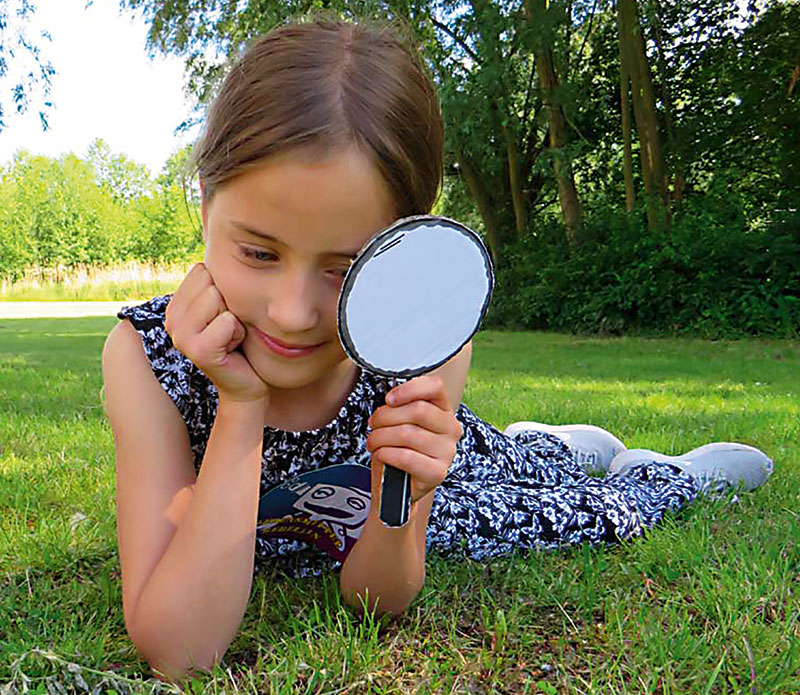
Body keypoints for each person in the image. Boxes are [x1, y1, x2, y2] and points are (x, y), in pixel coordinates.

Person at [101, 17, 773, 683]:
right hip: (301, 529)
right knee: (531, 497)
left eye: (344, 268)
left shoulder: (412, 337)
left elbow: (379, 597)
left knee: (558, 502)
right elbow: (181, 651)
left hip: (416, 485)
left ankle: (658, 474)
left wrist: (406, 502)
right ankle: (565, 451)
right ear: (204, 204)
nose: (292, 312)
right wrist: (242, 402)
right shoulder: (146, 360)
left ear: (408, 245)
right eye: (258, 252)